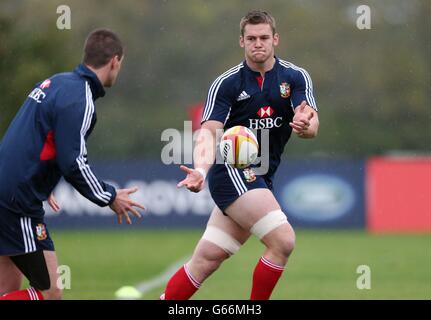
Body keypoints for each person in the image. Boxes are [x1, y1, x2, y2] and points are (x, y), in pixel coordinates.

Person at [161, 10, 319, 300]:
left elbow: (310, 122)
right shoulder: (228, 83)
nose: (258, 43)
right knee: (283, 241)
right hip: (232, 170)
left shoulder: (295, 77)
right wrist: (201, 170)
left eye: (263, 38)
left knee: (206, 259)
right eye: (251, 38)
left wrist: (305, 124)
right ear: (241, 42)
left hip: (262, 177)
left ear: (275, 39)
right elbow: (209, 133)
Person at [0, 29, 145, 300]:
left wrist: (42, 179)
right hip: (15, 201)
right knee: (50, 290)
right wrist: (109, 196)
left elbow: (30, 137)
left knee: (7, 289)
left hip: (8, 188)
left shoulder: (55, 82)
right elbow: (73, 162)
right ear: (115, 61)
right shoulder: (81, 99)